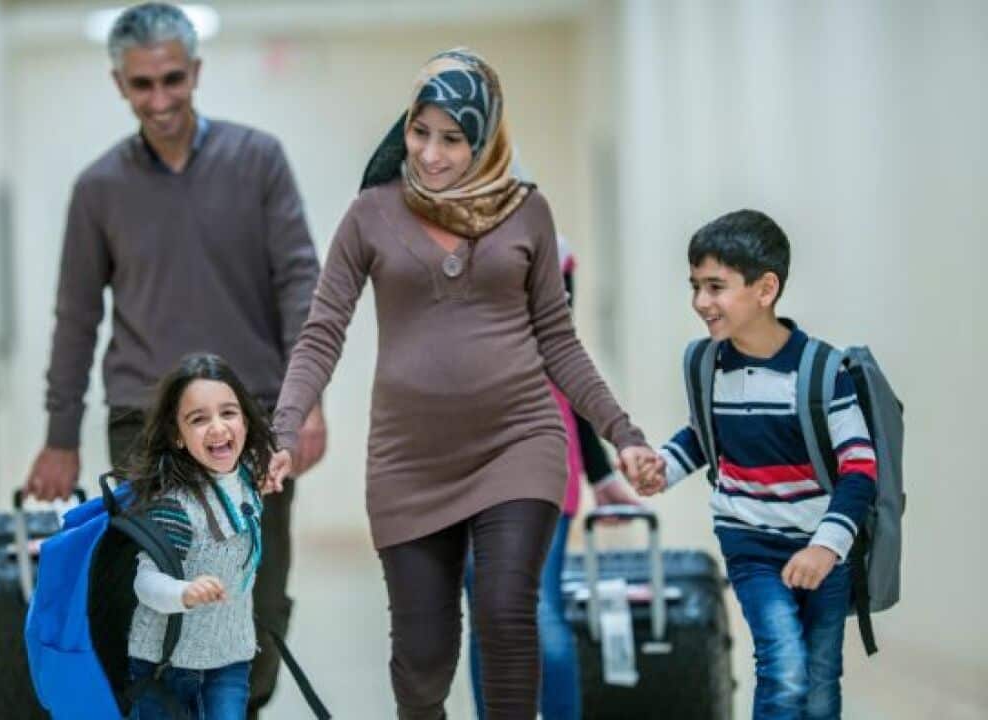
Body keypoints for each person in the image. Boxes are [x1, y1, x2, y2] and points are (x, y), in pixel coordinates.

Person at [265, 48, 661, 719]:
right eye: (420, 132)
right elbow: (323, 328)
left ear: (485, 140)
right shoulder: (371, 213)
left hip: (518, 443)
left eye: (453, 139)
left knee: (509, 613)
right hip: (409, 461)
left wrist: (622, 434)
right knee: (422, 659)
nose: (431, 154)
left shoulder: (527, 212)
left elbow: (559, 342)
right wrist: (283, 427)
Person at [21, 5, 325, 714]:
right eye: (141, 86)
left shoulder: (258, 161)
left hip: (247, 422)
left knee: (255, 590)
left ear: (196, 72)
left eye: (172, 80)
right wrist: (60, 436)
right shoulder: (99, 189)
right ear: (118, 85)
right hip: (144, 425)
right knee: (148, 599)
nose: (159, 101)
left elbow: (301, 286)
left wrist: (306, 402)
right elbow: (77, 318)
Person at [635, 209, 878, 719]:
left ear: (765, 289)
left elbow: (860, 469)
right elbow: (706, 437)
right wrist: (664, 466)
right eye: (695, 286)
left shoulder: (823, 372)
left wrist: (826, 548)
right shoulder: (705, 363)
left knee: (818, 680)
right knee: (784, 667)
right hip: (752, 545)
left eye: (716, 287)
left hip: (822, 549)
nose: (701, 302)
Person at [462, 237, 643, 720]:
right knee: (489, 623)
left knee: (539, 613)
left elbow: (564, 362)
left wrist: (601, 473)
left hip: (540, 461)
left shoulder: (551, 253)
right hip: (455, 468)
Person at [124, 353, 271, 719]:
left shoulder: (249, 483)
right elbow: (144, 582)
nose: (218, 428)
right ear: (177, 435)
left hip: (230, 658)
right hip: (166, 664)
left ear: (246, 421)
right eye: (198, 419)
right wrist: (183, 593)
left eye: (228, 413)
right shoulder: (176, 507)